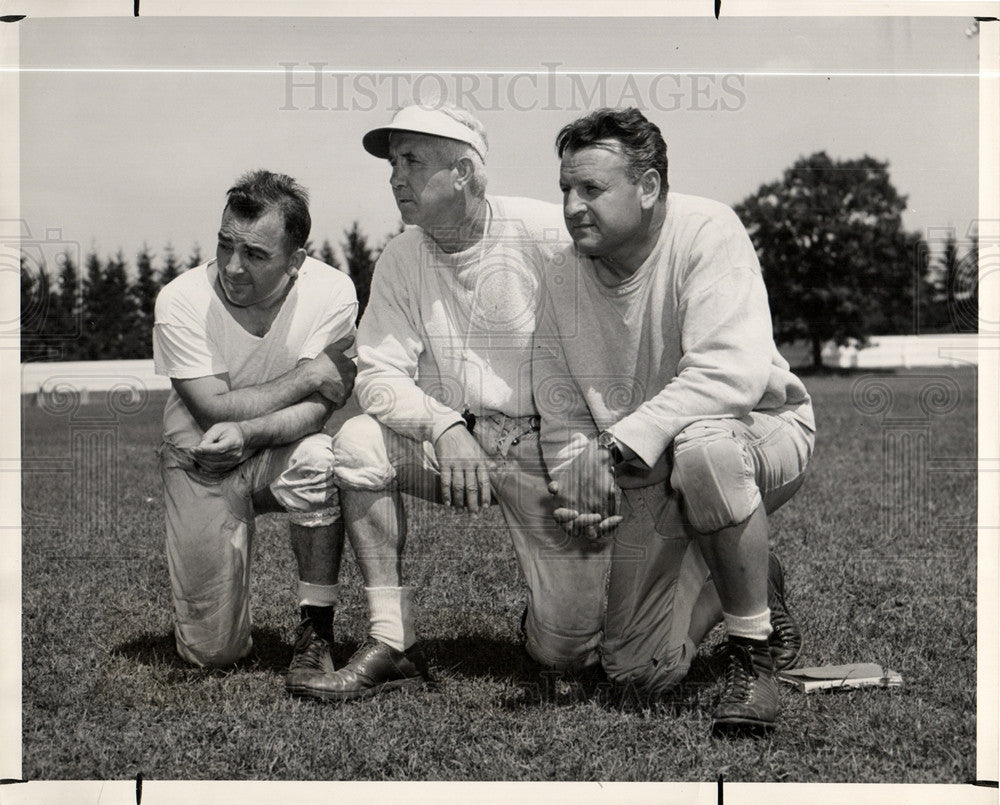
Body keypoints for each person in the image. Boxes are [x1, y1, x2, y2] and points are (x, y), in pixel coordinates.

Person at [290, 104, 612, 701]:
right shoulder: (401, 256)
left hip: (548, 447)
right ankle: (393, 641)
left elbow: (604, 342)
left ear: (464, 172)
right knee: (359, 442)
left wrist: (585, 448)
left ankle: (567, 619)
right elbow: (379, 375)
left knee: (566, 652)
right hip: (456, 444)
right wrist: (444, 425)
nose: (395, 177)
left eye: (412, 161)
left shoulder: (546, 234)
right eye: (393, 164)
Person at [533, 108, 815, 732]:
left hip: (760, 433)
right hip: (644, 467)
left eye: (592, 189)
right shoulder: (560, 273)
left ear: (649, 186)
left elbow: (728, 376)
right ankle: (741, 571)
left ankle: (753, 654)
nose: (574, 206)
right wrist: (579, 478)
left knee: (705, 449)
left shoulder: (708, 230)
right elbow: (559, 402)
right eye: (566, 191)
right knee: (640, 671)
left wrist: (608, 451)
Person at [152, 170, 358, 687]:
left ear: (296, 261)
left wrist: (248, 431)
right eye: (225, 245)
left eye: (256, 255)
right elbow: (209, 412)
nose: (232, 267)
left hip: (277, 453)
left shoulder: (333, 292)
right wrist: (308, 374)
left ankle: (316, 632)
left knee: (318, 458)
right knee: (212, 654)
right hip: (200, 464)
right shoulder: (180, 299)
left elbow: (320, 411)